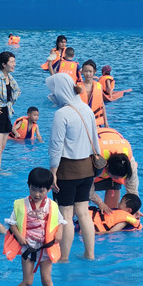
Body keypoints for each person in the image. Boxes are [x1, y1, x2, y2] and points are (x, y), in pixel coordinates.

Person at [47, 73, 99, 262]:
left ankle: (64, 258)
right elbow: (96, 139)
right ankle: (90, 254)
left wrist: (53, 172)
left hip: (67, 171)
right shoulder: (86, 109)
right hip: (87, 168)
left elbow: (56, 146)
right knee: (84, 213)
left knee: (66, 215)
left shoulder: (61, 114)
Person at [4, 167, 65, 286]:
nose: (37, 194)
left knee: (47, 280)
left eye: (42, 191)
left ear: (49, 189)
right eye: (33, 189)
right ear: (28, 185)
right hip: (29, 248)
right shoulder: (21, 204)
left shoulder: (52, 206)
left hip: (46, 248)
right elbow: (12, 224)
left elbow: (60, 221)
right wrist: (19, 236)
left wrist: (59, 233)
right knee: (28, 281)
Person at [88, 127, 140, 213]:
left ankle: (110, 216)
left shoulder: (129, 164)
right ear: (107, 167)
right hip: (95, 158)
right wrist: (100, 203)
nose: (116, 179)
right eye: (114, 176)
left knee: (115, 185)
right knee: (81, 194)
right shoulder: (96, 159)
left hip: (112, 161)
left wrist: (135, 209)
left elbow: (133, 189)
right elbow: (87, 187)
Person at [78, 59, 109, 128]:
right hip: (82, 122)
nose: (88, 74)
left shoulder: (99, 86)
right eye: (85, 71)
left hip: (96, 123)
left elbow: (102, 104)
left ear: (94, 72)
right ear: (82, 72)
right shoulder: (77, 87)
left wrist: (106, 122)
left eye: (90, 71)